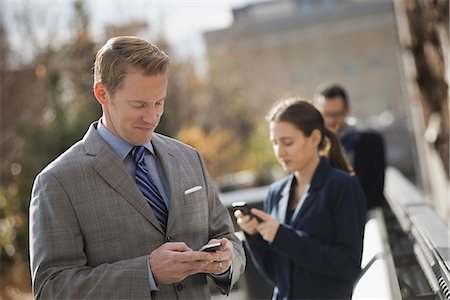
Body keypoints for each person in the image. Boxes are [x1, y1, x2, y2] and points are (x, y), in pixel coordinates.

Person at [29, 36, 245, 299]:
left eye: (159, 102)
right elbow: (51, 289)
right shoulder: (57, 182)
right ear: (102, 93)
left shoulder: (189, 158)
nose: (152, 117)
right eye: (139, 105)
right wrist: (147, 272)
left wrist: (225, 260)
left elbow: (229, 239)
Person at [235, 99, 366, 299]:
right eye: (275, 143)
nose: (280, 151)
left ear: (314, 138)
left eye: (288, 142)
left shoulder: (343, 187)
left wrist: (281, 235)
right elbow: (277, 275)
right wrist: (254, 236)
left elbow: (347, 266)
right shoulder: (275, 193)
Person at [315, 84, 386, 210]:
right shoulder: (311, 146)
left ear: (348, 111)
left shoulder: (372, 143)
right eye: (325, 114)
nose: (330, 121)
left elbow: (375, 194)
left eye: (336, 114)